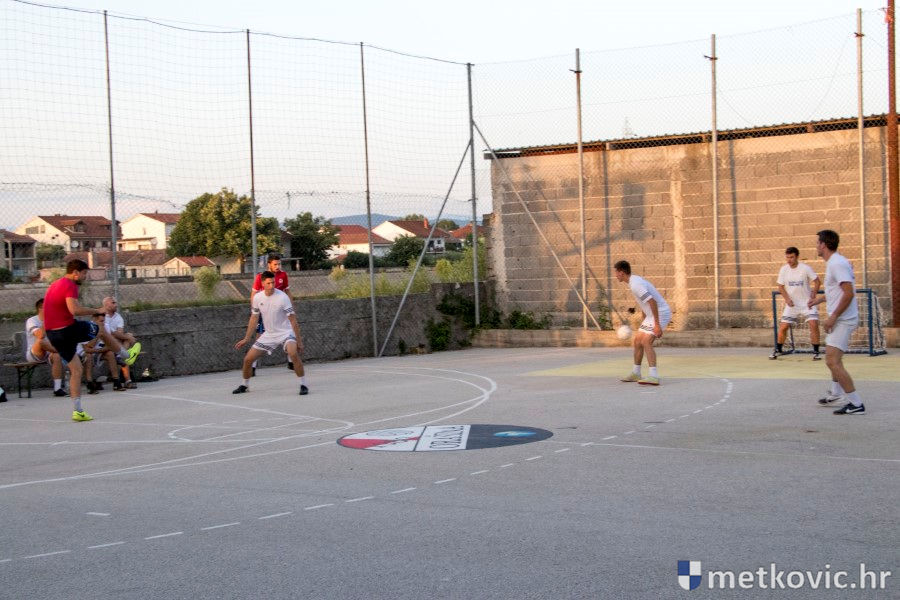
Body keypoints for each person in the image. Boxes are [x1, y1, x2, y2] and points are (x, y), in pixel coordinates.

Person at [43, 259, 138, 422]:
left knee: (76, 369)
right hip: (67, 329)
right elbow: (74, 309)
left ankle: (78, 411)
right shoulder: (69, 284)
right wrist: (97, 310)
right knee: (100, 328)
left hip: (53, 333)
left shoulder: (54, 285)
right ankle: (125, 355)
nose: (85, 277)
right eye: (84, 273)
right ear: (75, 273)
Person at [808, 230, 865, 415]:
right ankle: (836, 394)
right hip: (841, 318)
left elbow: (849, 293)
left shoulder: (837, 263)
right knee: (834, 359)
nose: (816, 246)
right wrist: (819, 300)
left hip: (843, 319)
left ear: (824, 244)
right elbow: (837, 291)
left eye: (818, 243)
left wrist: (833, 317)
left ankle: (856, 404)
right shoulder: (835, 262)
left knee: (832, 361)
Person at [233, 270, 307, 395]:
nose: (272, 286)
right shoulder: (257, 298)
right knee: (247, 360)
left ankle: (303, 384)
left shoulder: (283, 297)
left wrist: (299, 342)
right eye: (268, 283)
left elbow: (293, 320)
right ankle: (244, 385)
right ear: (262, 284)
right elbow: (254, 318)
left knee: (293, 353)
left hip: (286, 332)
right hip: (269, 334)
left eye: (273, 282)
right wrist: (246, 338)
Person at [614, 260, 672, 386]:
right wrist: (645, 319)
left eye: (617, 272)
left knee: (646, 341)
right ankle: (636, 373)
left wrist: (657, 325)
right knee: (637, 341)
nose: (616, 275)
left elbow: (652, 302)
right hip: (651, 315)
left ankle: (654, 376)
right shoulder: (633, 281)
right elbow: (645, 303)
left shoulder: (636, 284)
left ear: (622, 272)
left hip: (661, 312)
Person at [770, 246, 821, 360]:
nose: (789, 260)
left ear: (797, 257)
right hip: (792, 304)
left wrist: (813, 295)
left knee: (813, 324)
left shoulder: (805, 268)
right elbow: (780, 286)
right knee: (783, 327)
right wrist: (787, 299)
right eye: (787, 257)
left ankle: (816, 351)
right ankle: (778, 350)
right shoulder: (784, 269)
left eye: (791, 257)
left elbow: (817, 281)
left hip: (807, 303)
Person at [249, 254, 291, 374]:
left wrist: (291, 308)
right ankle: (252, 366)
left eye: (279, 264)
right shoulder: (261, 277)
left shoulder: (283, 275)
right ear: (269, 264)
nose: (278, 266)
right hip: (265, 312)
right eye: (275, 264)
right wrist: (254, 310)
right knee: (259, 336)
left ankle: (291, 362)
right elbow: (254, 294)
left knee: (288, 335)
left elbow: (288, 292)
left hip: (280, 312)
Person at [25, 298, 67, 396]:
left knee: (56, 356)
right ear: (40, 309)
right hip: (35, 353)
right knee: (40, 341)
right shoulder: (31, 321)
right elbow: (40, 335)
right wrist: (46, 321)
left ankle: (57, 388)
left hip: (50, 352)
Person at [101, 296, 141, 389]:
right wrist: (127, 337)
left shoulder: (118, 317)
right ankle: (123, 357)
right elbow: (107, 333)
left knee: (126, 339)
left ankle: (121, 357)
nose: (116, 305)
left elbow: (119, 333)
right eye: (113, 303)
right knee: (127, 338)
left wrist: (125, 336)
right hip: (102, 343)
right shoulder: (101, 316)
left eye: (115, 302)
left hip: (115, 342)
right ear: (106, 305)